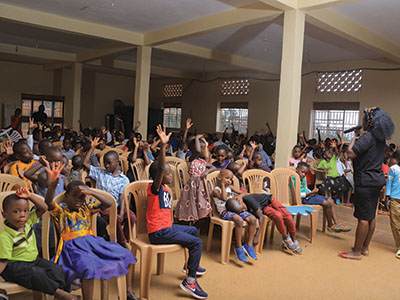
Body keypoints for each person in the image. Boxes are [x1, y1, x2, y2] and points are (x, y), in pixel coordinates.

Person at [45, 163, 137, 299]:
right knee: (88, 267)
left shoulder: (86, 208)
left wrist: (92, 192)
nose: (78, 200)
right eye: (74, 196)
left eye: (81, 197)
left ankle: (128, 292)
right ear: (66, 196)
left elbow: (109, 204)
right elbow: (48, 202)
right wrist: (52, 184)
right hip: (73, 247)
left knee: (127, 255)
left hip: (93, 244)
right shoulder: (61, 212)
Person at [147, 125, 207, 299]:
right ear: (159, 176)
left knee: (194, 231)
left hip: (167, 227)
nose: (171, 175)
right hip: (159, 232)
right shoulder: (155, 188)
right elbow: (159, 168)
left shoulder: (165, 188)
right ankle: (190, 280)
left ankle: (190, 266)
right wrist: (164, 146)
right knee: (197, 244)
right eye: (168, 173)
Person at [0, 187, 77, 300]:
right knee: (36, 273)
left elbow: (44, 207)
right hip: (14, 266)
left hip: (33, 260)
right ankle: (59, 293)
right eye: (16, 211)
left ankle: (62, 292)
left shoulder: (29, 221)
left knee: (55, 269)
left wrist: (30, 196)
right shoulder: (5, 236)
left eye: (25, 210)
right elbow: (2, 261)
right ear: (4, 215)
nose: (22, 215)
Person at [339, 107, 394, 260]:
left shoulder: (367, 137)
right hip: (376, 180)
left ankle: (356, 252)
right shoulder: (380, 138)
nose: (362, 121)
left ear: (370, 122)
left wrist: (353, 140)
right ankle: (364, 248)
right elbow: (367, 152)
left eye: (364, 118)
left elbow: (350, 154)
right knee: (371, 216)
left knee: (363, 217)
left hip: (365, 181)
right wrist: (359, 137)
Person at [83, 138, 135, 247]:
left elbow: (122, 197)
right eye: (105, 163)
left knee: (131, 217)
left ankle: (125, 238)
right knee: (115, 218)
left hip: (117, 205)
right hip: (103, 206)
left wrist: (121, 212)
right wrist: (92, 147)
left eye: (109, 163)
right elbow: (85, 163)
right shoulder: (100, 172)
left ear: (117, 162)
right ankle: (122, 243)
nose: (106, 166)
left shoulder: (123, 179)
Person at [212, 169, 258, 262]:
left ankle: (249, 245)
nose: (229, 181)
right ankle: (238, 247)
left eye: (231, 179)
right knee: (239, 220)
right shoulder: (216, 190)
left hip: (236, 210)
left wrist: (239, 197)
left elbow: (244, 192)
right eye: (227, 178)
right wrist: (222, 185)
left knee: (252, 219)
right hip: (225, 212)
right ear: (220, 178)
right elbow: (224, 198)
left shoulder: (230, 187)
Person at [295, 162, 350, 232]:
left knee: (331, 201)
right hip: (303, 199)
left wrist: (312, 192)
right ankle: (330, 226)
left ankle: (337, 224)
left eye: (305, 173)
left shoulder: (303, 178)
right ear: (297, 169)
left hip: (309, 196)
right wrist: (310, 193)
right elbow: (297, 194)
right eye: (302, 172)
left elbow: (304, 188)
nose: (303, 175)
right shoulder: (293, 178)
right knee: (327, 203)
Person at [174, 133, 215, 222]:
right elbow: (196, 151)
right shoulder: (190, 158)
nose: (205, 150)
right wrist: (196, 138)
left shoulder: (202, 161)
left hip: (202, 186)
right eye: (203, 148)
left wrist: (206, 172)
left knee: (202, 204)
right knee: (193, 205)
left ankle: (200, 223)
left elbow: (213, 167)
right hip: (193, 187)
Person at [385, 158, 400, 259]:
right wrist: (387, 197)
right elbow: (389, 182)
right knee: (395, 224)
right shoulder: (394, 169)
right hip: (395, 199)